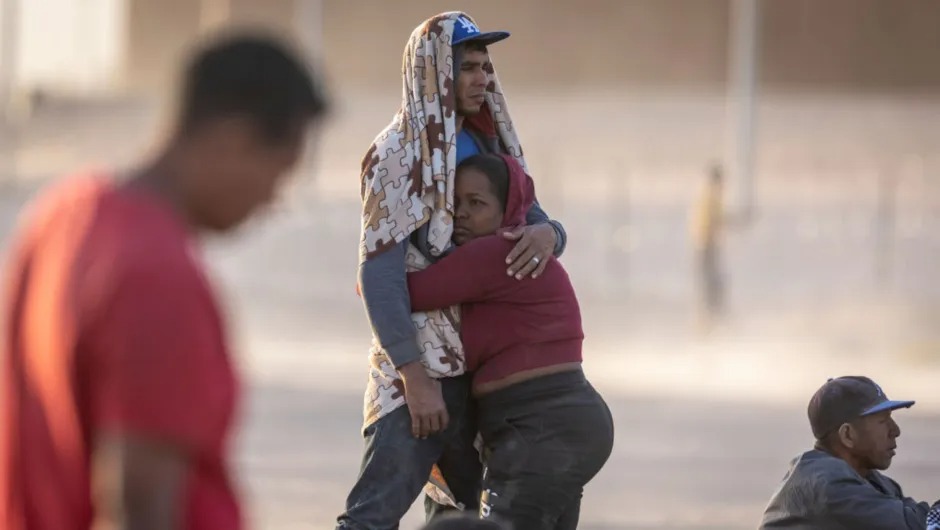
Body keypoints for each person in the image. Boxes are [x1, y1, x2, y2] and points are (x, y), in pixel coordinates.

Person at [0, 31, 328, 530]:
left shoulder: (62, 212)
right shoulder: (158, 278)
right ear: (233, 140)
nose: (271, 201)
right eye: (278, 173)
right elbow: (138, 510)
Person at [338, 11, 567, 529]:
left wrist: (550, 234)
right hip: (418, 372)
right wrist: (414, 379)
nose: (481, 79)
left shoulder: (489, 144)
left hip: (481, 371)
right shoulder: (396, 154)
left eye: (486, 68)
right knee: (372, 514)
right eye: (467, 67)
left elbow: (535, 219)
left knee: (461, 516)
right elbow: (379, 273)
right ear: (431, 72)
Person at [406, 153, 614, 529]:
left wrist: (375, 262)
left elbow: (404, 292)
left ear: (508, 210)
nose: (462, 214)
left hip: (540, 427)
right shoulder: (522, 250)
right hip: (569, 424)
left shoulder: (496, 251)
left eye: (477, 203)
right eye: (456, 204)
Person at [760, 376, 940, 529]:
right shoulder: (828, 485)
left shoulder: (872, 480)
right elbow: (923, 525)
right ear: (847, 435)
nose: (895, 431)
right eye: (883, 421)